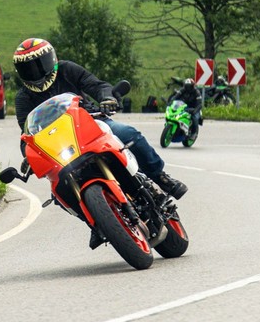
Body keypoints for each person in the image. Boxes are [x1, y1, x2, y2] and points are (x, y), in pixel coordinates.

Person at [12, 38, 188, 248]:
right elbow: (26, 131)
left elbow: (96, 85)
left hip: (91, 122)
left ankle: (160, 176)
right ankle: (96, 223)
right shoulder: (23, 98)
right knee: (59, 192)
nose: (36, 72)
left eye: (39, 64)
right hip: (60, 143)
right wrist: (28, 155)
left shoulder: (67, 69)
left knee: (127, 133)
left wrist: (107, 98)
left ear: (52, 59)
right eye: (28, 68)